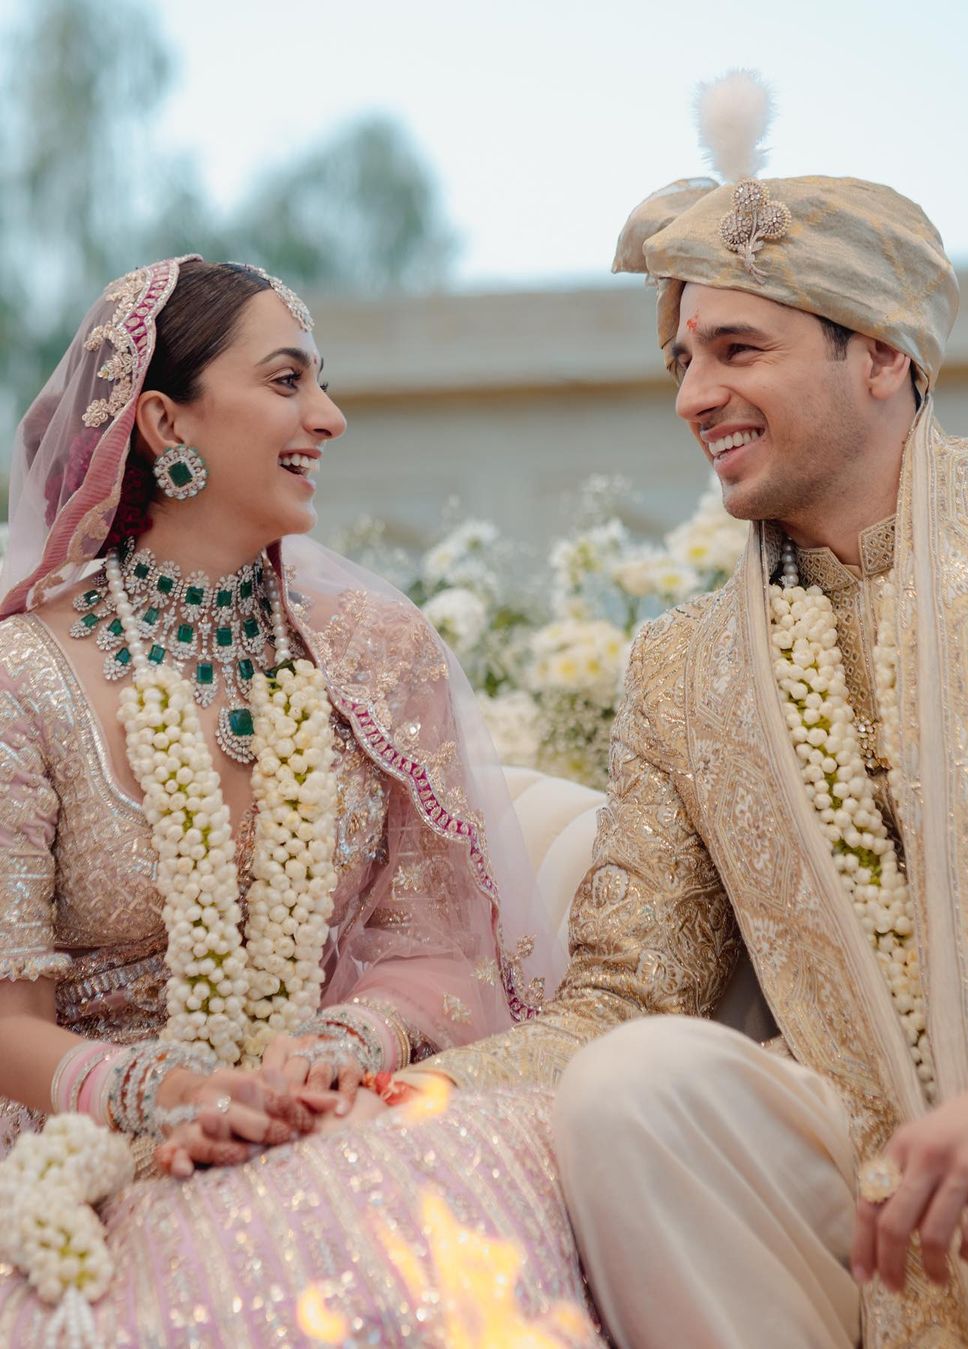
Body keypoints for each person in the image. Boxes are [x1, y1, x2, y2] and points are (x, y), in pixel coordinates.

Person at [411, 75, 968, 1346]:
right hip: (863, 1202)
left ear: (882, 354)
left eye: (737, 350)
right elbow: (623, 996)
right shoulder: (686, 667)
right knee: (635, 1083)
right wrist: (398, 1090)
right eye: (681, 359)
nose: (690, 397)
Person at [0, 256, 603, 1346]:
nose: (327, 416)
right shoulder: (22, 677)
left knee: (458, 1183)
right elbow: (6, 1024)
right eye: (286, 381)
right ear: (160, 423)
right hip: (83, 1138)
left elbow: (442, 948)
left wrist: (341, 1039)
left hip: (325, 1107)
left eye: (320, 382)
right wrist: (168, 1091)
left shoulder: (374, 655)